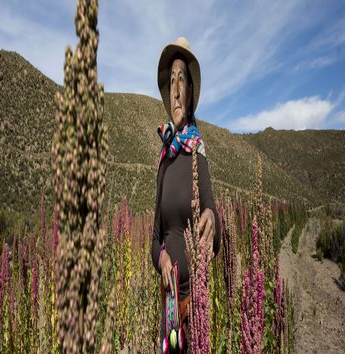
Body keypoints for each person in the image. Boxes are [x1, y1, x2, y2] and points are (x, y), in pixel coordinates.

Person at [151, 37, 221, 351]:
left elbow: (213, 226)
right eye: (172, 82)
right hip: (169, 301)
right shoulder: (164, 160)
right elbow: (155, 238)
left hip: (196, 301)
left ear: (190, 94)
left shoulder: (197, 153)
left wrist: (211, 218)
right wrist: (162, 258)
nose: (176, 90)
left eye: (182, 80)